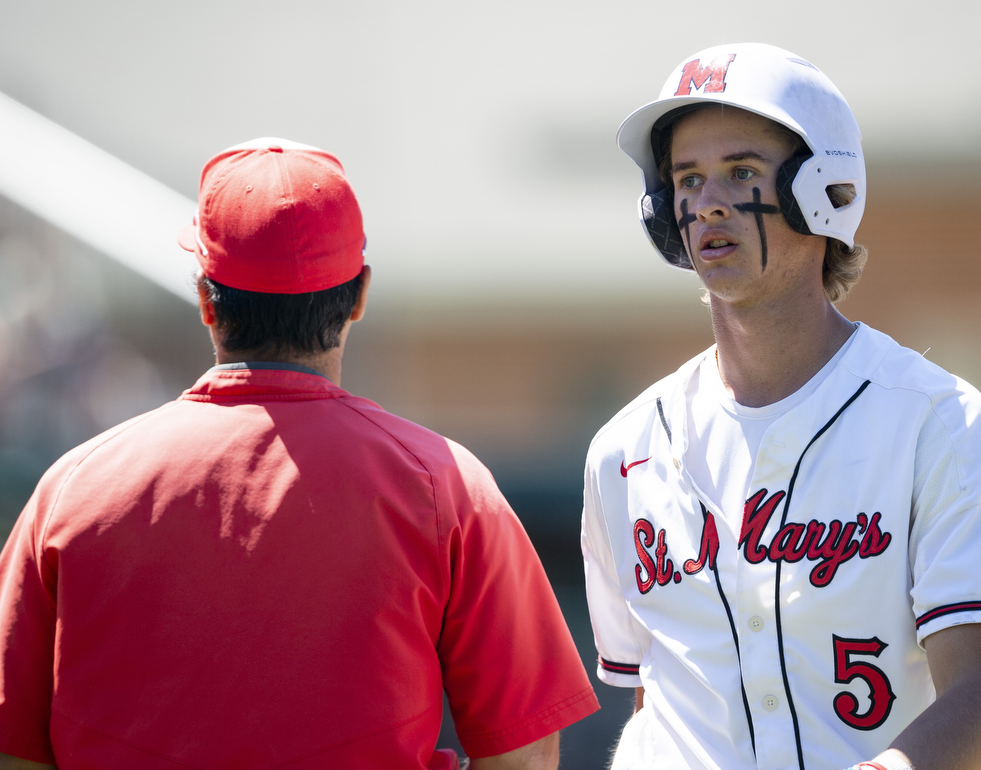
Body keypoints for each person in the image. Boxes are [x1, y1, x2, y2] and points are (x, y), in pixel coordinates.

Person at [0, 139, 598, 770]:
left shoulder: (72, 489)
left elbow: (13, 749)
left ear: (206, 297)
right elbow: (524, 757)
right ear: (359, 295)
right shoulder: (445, 484)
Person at [581, 44, 981, 770]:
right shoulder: (623, 450)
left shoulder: (936, 419)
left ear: (826, 189)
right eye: (687, 179)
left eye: (741, 171)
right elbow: (652, 696)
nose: (708, 202)